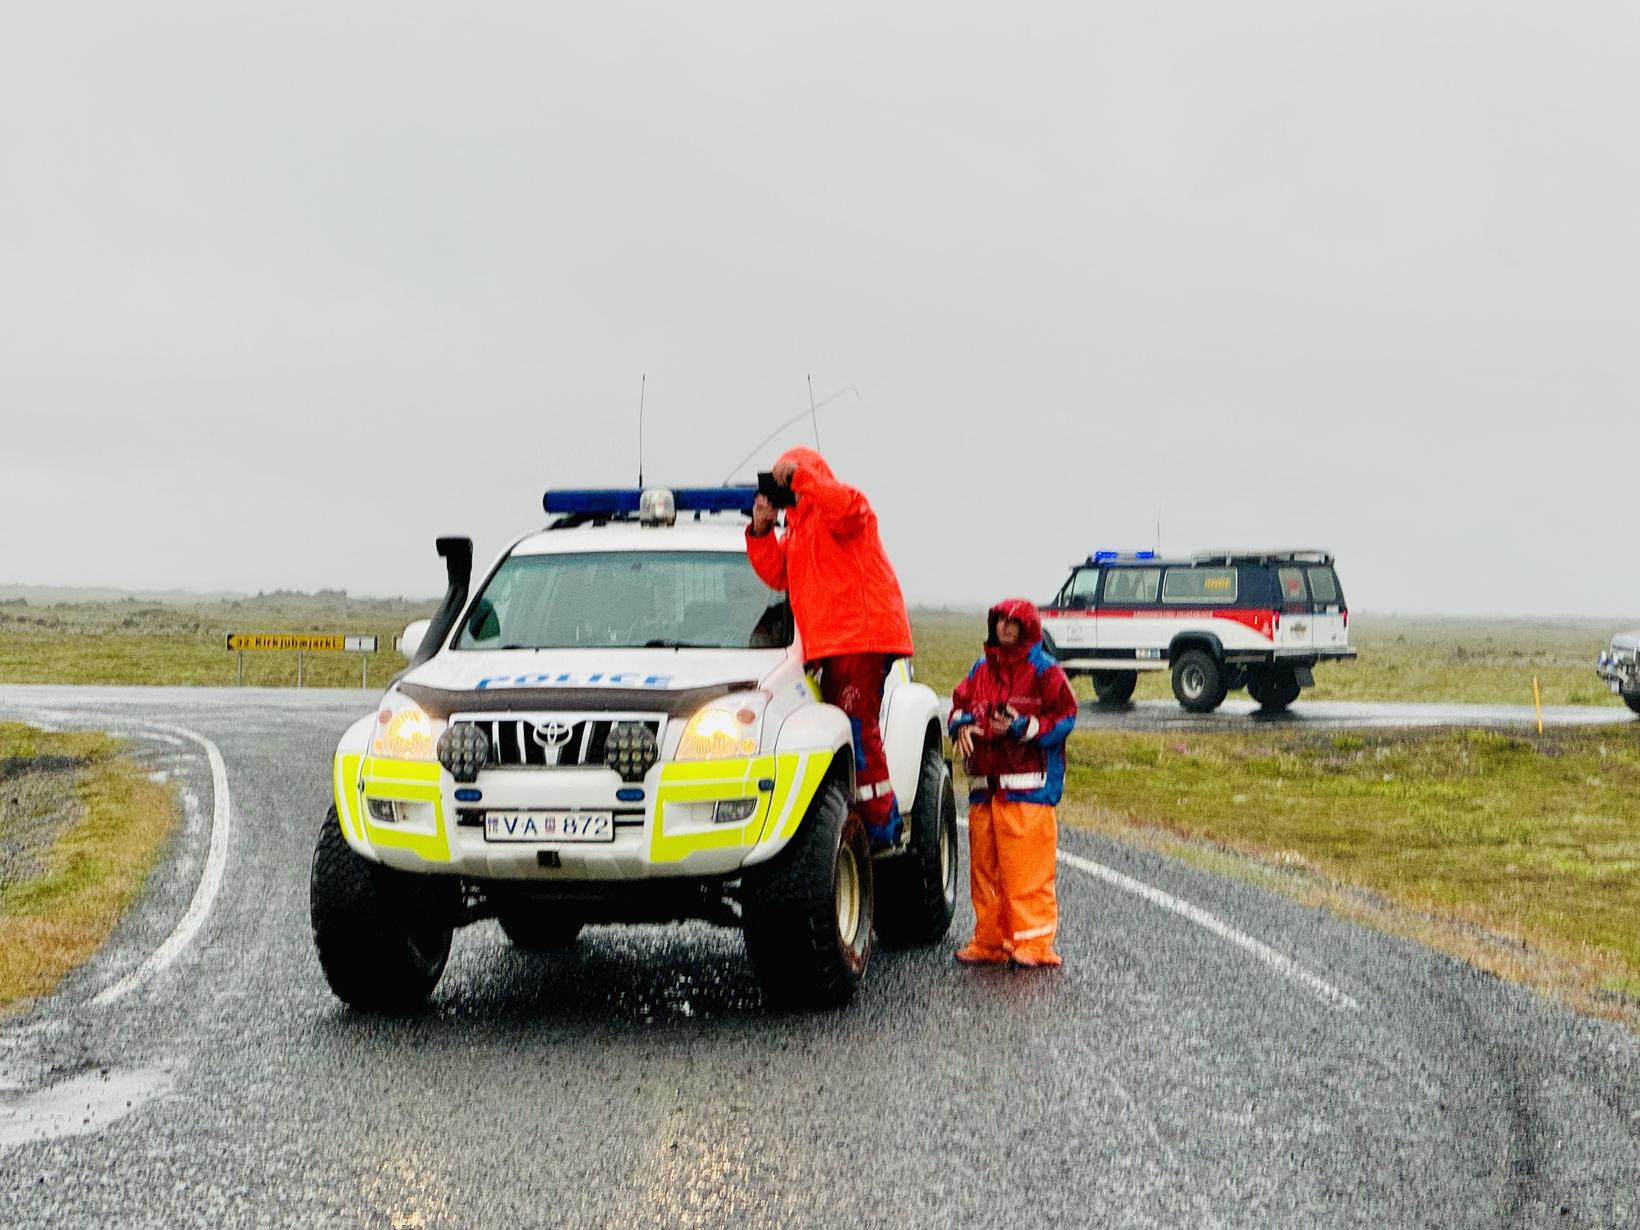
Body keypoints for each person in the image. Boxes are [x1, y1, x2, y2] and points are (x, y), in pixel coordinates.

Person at [746, 446, 914, 848]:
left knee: (857, 731)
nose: (786, 485)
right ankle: (865, 824)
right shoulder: (798, 528)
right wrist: (761, 529)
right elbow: (777, 574)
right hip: (831, 646)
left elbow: (846, 507)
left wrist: (801, 478)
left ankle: (880, 830)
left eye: (789, 477)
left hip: (859, 637)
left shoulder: (843, 508)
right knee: (848, 733)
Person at [948, 598, 1078, 967]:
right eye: (1000, 620)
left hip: (1029, 787)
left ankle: (1033, 943)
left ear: (1027, 627)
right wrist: (960, 724)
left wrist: (1024, 728)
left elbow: (1066, 716)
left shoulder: (1045, 671)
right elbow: (957, 705)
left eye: (1012, 622)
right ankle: (989, 940)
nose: (1004, 627)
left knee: (1027, 872)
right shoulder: (980, 668)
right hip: (985, 786)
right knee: (985, 869)